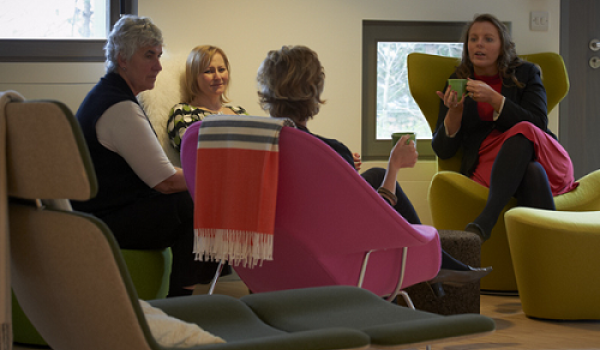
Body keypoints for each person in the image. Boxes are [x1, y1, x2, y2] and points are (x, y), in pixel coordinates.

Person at [256, 45, 491, 297]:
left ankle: (441, 262)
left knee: (375, 175)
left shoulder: (253, 147)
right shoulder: (327, 151)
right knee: (383, 176)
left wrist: (346, 171)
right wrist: (395, 166)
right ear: (314, 90)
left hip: (268, 263)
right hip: (330, 267)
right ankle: (436, 262)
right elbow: (367, 229)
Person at [71, 15, 228, 298]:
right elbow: (165, 181)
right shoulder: (119, 108)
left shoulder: (108, 95)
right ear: (122, 59)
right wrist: (216, 179)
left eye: (158, 55)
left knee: (187, 199)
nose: (158, 66)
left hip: (102, 210)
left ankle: (186, 295)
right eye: (149, 56)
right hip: (103, 219)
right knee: (187, 204)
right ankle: (180, 304)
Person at [434, 14, 578, 242]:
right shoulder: (458, 80)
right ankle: (554, 255)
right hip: (490, 163)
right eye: (473, 39)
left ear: (502, 47)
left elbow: (538, 123)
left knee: (524, 130)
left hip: (540, 154)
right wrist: (455, 112)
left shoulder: (527, 73)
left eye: (488, 39)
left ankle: (485, 221)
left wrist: (496, 100)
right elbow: (443, 150)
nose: (479, 44)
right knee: (530, 173)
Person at [167, 45, 247, 152]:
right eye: (209, 71)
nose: (218, 77)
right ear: (194, 77)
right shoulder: (183, 113)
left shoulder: (240, 112)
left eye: (222, 69)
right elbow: (194, 154)